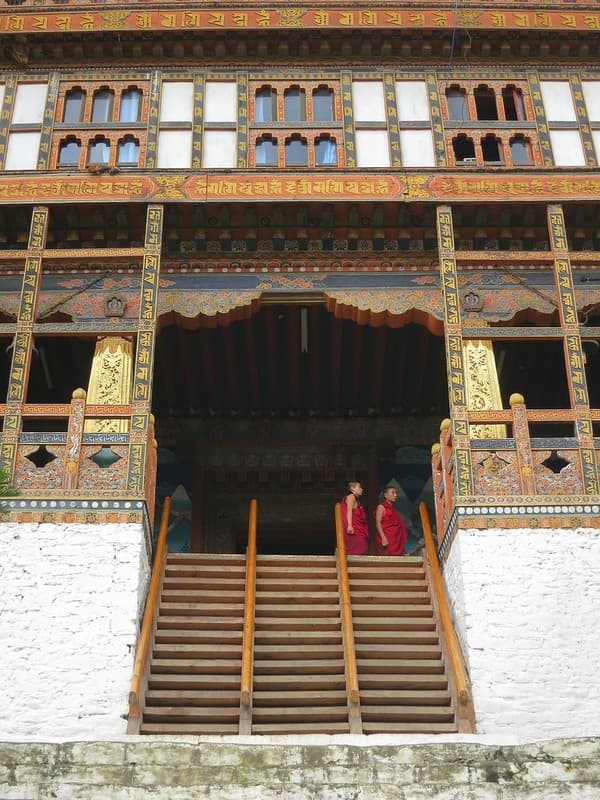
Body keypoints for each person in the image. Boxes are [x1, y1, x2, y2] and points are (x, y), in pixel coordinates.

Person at [375, 485, 408, 556]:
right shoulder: (381, 507)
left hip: (395, 539)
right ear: (386, 495)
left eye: (396, 493)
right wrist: (383, 538)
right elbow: (378, 523)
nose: (395, 495)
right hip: (387, 538)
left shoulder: (393, 509)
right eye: (393, 493)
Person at [341, 481, 369, 556]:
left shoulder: (356, 499)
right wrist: (350, 525)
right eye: (359, 487)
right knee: (361, 545)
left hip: (357, 526)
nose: (362, 489)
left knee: (362, 546)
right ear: (352, 489)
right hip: (354, 527)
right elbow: (349, 510)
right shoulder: (351, 497)